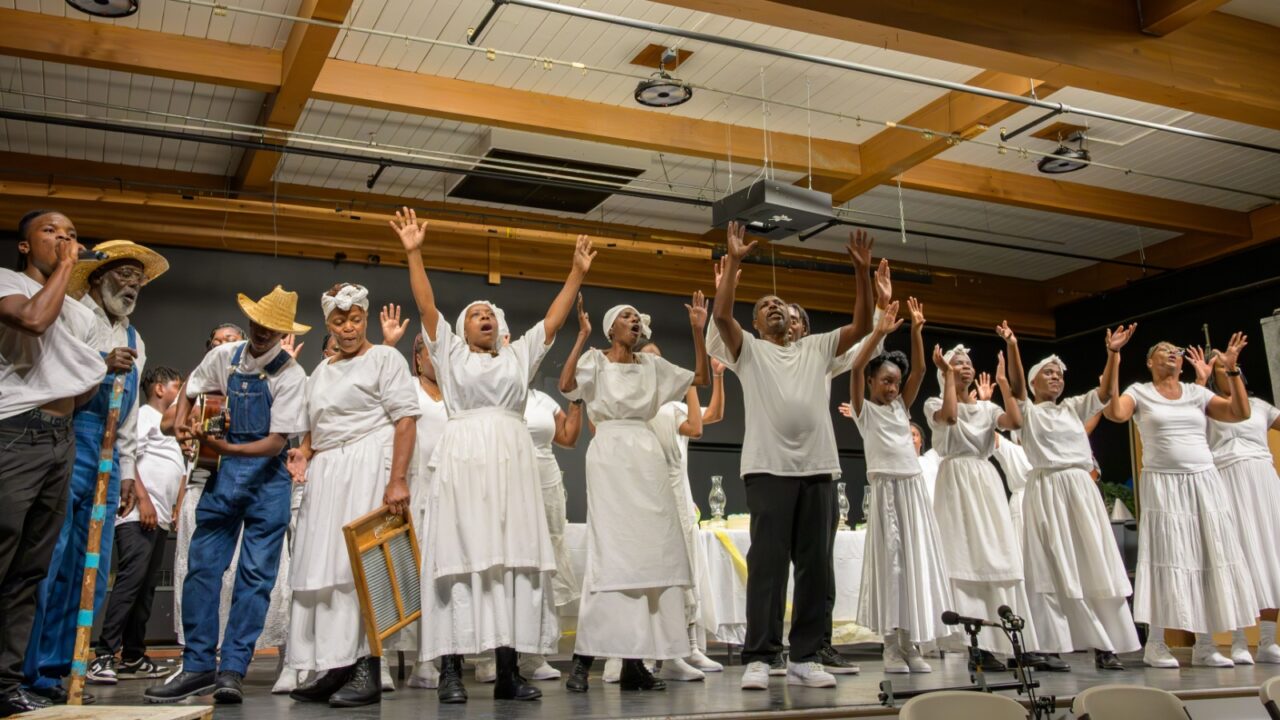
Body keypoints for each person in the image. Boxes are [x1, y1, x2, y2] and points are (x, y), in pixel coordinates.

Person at [392, 208, 590, 705]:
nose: (484, 315)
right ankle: (451, 672)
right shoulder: (451, 355)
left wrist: (576, 273)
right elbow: (427, 305)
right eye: (476, 313)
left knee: (510, 563)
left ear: (500, 327)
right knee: (460, 559)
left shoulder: (518, 356)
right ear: (462, 329)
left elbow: (553, 320)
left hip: (511, 465)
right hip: (463, 463)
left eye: (490, 313)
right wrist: (414, 253)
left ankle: (508, 670)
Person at [707, 225, 874, 691]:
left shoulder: (816, 347)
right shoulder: (749, 350)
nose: (774, 307)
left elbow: (861, 327)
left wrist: (860, 273)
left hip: (819, 468)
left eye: (779, 304)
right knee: (768, 564)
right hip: (767, 468)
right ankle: (761, 655)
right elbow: (721, 317)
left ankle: (804, 656)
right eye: (763, 308)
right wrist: (735, 264)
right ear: (756, 324)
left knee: (815, 564)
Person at [144, 286, 310, 705]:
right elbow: (191, 389)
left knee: (255, 580)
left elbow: (275, 443)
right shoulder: (224, 357)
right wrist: (184, 426)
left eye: (270, 327)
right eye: (257, 323)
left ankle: (233, 670)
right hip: (221, 478)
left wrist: (226, 449)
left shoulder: (291, 376)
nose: (260, 331)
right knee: (202, 570)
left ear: (282, 331)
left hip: (267, 482)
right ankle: (198, 666)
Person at [24, 239, 167, 703]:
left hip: (107, 456)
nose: (132, 287)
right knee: (53, 558)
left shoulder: (135, 338)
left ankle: (70, 662)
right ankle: (32, 666)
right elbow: (51, 378)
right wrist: (99, 367)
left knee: (93, 564)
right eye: (123, 276)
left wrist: (127, 471)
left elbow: (127, 417)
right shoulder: (70, 314)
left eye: (138, 280)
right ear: (99, 278)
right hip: (68, 438)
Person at [561, 292, 707, 693]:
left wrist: (698, 331)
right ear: (611, 328)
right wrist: (581, 336)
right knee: (611, 559)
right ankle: (582, 661)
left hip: (646, 457)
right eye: (627, 317)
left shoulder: (652, 366)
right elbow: (567, 384)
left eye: (638, 318)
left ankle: (634, 664)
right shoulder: (595, 360)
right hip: (610, 455)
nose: (635, 322)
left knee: (650, 557)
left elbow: (700, 378)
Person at [283, 284, 417, 708]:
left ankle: (366, 668)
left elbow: (406, 421)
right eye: (339, 322)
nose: (348, 328)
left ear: (365, 317)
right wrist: (302, 453)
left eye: (355, 319)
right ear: (329, 325)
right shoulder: (320, 373)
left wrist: (397, 479)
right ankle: (334, 666)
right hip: (327, 473)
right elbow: (314, 434)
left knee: (358, 569)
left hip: (366, 463)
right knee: (322, 566)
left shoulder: (385, 358)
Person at [0, 210, 105, 717]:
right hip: (15, 432)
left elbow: (81, 386)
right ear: (24, 245)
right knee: (2, 554)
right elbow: (34, 320)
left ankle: (5, 681)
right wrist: (68, 267)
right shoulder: (7, 282)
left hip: (60, 439)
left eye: (71, 235)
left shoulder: (82, 315)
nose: (64, 239)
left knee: (30, 569)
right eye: (50, 232)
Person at [1104, 334, 1258, 668]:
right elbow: (1115, 413)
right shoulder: (1139, 392)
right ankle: (1156, 643)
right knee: (1167, 556)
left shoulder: (1196, 393)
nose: (1172, 354)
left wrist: (1231, 372)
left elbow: (1239, 412)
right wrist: (1113, 355)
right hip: (1163, 482)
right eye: (1163, 351)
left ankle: (1205, 643)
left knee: (1209, 553)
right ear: (1149, 362)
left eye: (1175, 351)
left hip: (1204, 480)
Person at [1005, 324, 1141, 673]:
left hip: (1080, 488)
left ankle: (1106, 644)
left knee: (1093, 561)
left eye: (1058, 374)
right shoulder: (1027, 412)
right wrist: (1013, 345)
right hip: (1047, 489)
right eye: (1047, 373)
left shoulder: (1073, 408)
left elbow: (1105, 393)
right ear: (1035, 382)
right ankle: (1049, 645)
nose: (1055, 378)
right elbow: (1017, 387)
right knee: (1050, 565)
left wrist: (1113, 353)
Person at [848, 299, 953, 674]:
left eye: (896, 382)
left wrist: (917, 331)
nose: (893, 387)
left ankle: (911, 643)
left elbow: (921, 368)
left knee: (912, 564)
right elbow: (858, 364)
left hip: (912, 492)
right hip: (885, 491)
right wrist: (878, 332)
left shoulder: (901, 409)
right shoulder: (864, 409)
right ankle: (890, 645)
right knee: (891, 566)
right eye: (886, 381)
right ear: (873, 383)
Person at [925, 341, 1038, 671]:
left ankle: (1008, 639)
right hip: (957, 480)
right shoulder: (936, 401)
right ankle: (974, 643)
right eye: (956, 362)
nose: (964, 366)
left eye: (966, 363)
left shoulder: (987, 410)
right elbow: (948, 417)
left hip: (985, 480)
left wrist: (1003, 383)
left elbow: (1016, 423)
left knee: (995, 556)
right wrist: (948, 378)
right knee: (965, 558)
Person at [88, 366, 185, 686]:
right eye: (177, 386)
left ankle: (132, 654)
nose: (181, 391)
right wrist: (142, 500)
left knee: (145, 589)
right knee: (130, 583)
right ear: (159, 389)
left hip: (157, 517)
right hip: (136, 516)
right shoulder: (144, 416)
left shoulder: (171, 424)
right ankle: (103, 653)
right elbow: (126, 455)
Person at [642, 338, 727, 679]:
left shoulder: (673, 405)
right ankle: (658, 651)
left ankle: (690, 645)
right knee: (661, 571)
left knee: (687, 569)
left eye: (657, 358)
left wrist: (716, 377)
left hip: (679, 491)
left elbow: (712, 415)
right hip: (652, 494)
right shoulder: (642, 406)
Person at [1192, 347, 1280, 664]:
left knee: (1272, 554)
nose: (1232, 369)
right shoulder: (1209, 406)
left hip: (1264, 481)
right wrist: (1200, 382)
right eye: (1224, 368)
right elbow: (1187, 419)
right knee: (1239, 556)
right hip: (1227, 480)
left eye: (1235, 366)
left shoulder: (1258, 406)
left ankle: (1268, 639)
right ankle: (1241, 639)